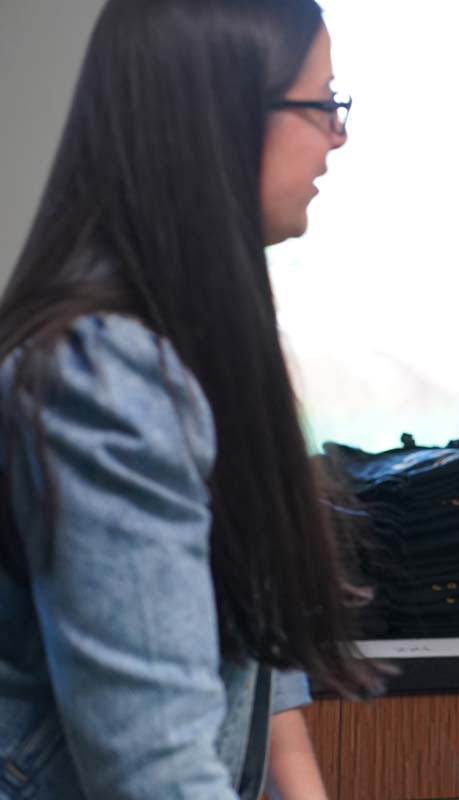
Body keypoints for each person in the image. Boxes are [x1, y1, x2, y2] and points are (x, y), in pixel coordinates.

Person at [0, 0, 372, 797]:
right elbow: (153, 767)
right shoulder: (104, 377)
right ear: (223, 114)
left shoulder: (196, 346)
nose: (338, 136)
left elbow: (263, 672)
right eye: (323, 104)